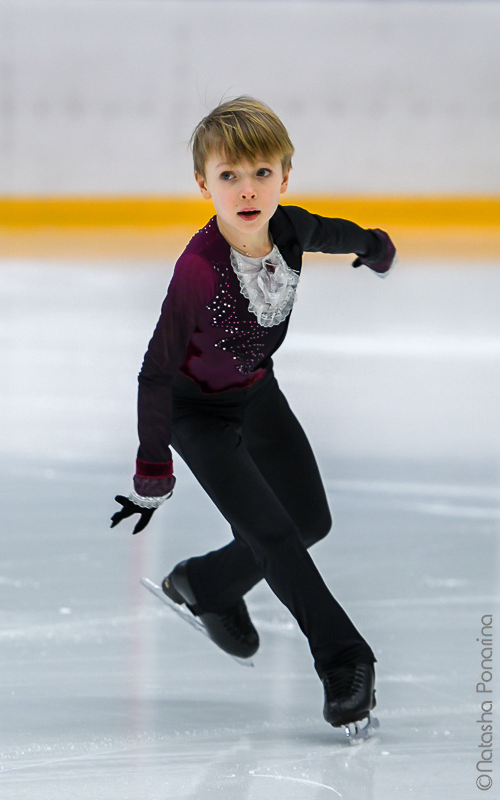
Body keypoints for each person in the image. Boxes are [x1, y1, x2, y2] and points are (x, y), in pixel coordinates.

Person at [111, 96, 396, 730]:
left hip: (256, 391)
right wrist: (153, 461)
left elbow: (335, 233)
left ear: (284, 177)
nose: (247, 190)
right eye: (229, 176)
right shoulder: (198, 271)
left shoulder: (289, 229)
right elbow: (156, 370)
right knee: (273, 536)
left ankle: (207, 585)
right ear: (203, 183)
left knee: (308, 520)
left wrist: (374, 247)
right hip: (197, 414)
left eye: (262, 173)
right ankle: (344, 660)